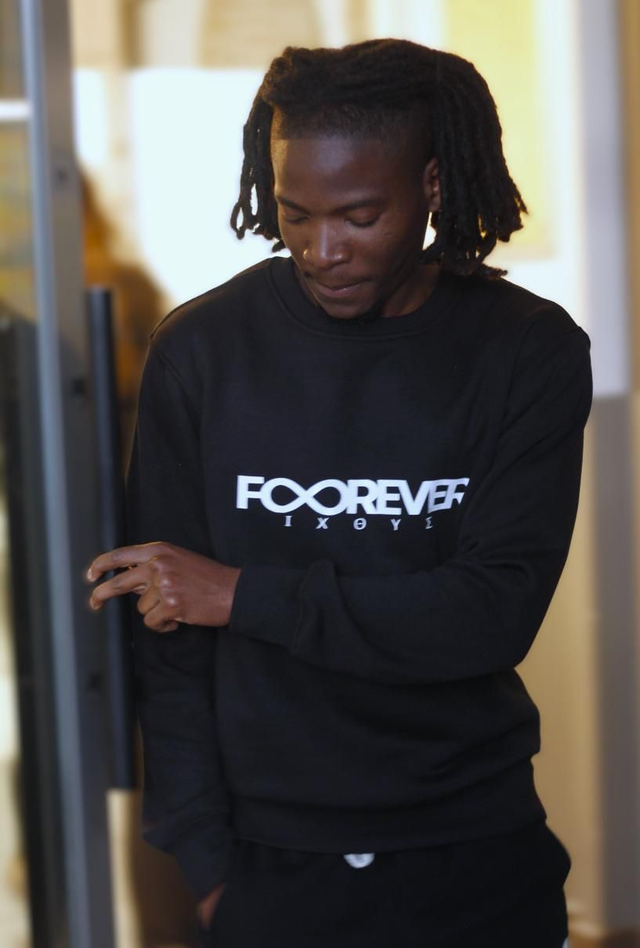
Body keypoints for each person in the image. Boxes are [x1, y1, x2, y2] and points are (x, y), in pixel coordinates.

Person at [85, 38, 591, 948]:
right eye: (295, 214)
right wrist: (208, 867)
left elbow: (491, 614)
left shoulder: (526, 350)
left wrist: (239, 595)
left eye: (360, 216)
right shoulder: (202, 353)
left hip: (473, 851)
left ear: (431, 184)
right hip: (267, 864)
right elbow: (168, 646)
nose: (324, 251)